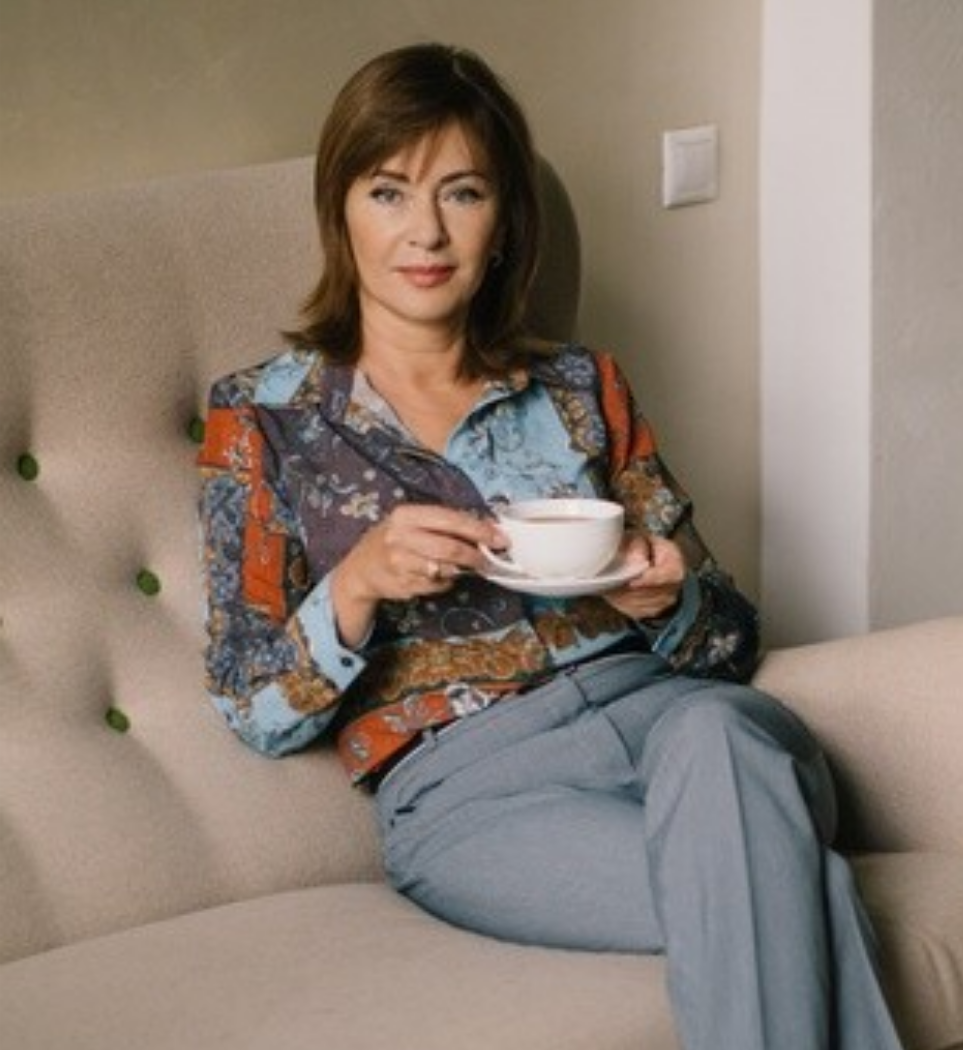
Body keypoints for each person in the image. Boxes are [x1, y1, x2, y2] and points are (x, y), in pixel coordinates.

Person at [197, 42, 905, 1050]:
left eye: (463, 192)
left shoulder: (581, 387)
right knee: (793, 886)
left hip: (675, 723)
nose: (426, 231)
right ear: (340, 212)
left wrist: (672, 599)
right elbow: (249, 705)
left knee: (722, 740)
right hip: (472, 792)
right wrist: (355, 584)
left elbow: (731, 643)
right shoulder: (264, 419)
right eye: (389, 192)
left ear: (503, 222)